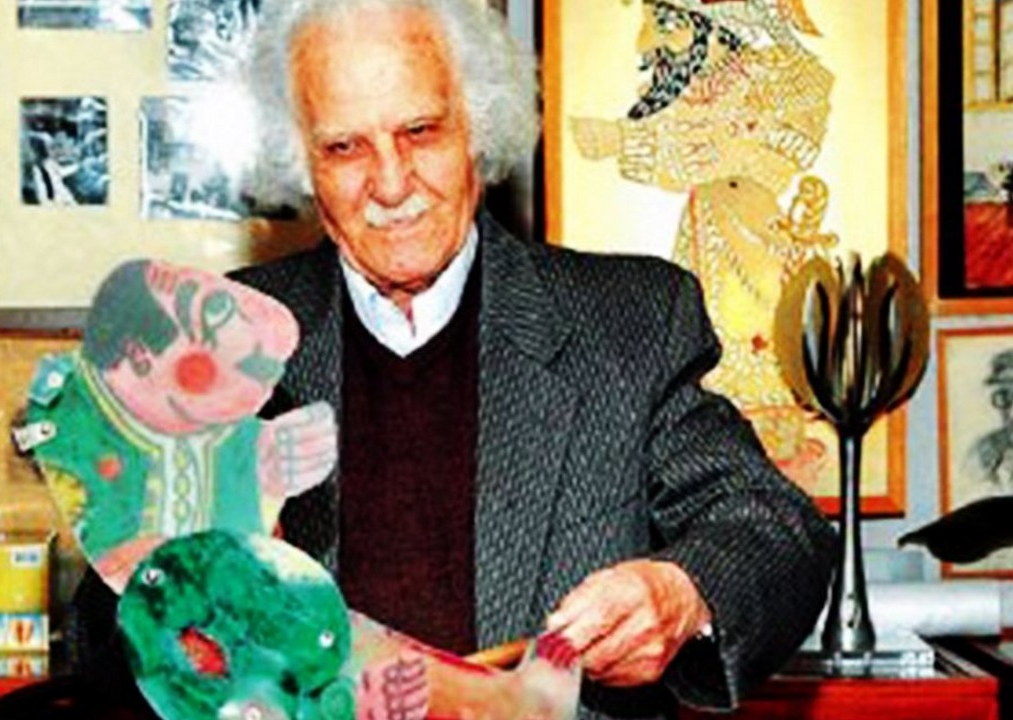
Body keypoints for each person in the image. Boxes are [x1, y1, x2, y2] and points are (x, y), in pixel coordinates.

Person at [70, 0, 835, 718]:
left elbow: (774, 530)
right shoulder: (216, 340)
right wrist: (176, 574)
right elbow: (105, 645)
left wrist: (684, 592)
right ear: (301, 163)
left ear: (478, 127)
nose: (390, 184)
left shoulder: (629, 323)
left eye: (420, 132)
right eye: (344, 147)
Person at [569, 0, 837, 492]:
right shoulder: (702, 92)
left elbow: (723, 152)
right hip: (710, 228)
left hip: (747, 232)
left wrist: (621, 141)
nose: (651, 43)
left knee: (749, 341)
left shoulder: (774, 81)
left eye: (668, 25)